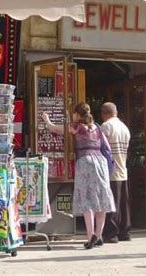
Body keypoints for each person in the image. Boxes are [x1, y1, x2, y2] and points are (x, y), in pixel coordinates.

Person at [41, 102, 116, 249]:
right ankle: (99, 236)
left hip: (85, 162)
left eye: (74, 113)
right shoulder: (98, 128)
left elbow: (55, 129)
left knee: (87, 199)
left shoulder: (76, 127)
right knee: (101, 199)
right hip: (100, 163)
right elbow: (106, 147)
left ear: (77, 114)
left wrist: (46, 120)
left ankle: (90, 236)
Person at [100, 102, 131, 243]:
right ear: (116, 112)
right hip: (123, 168)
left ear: (104, 114)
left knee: (112, 204)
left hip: (111, 170)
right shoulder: (124, 128)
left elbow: (101, 147)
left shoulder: (106, 126)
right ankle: (125, 232)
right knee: (124, 203)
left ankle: (112, 233)